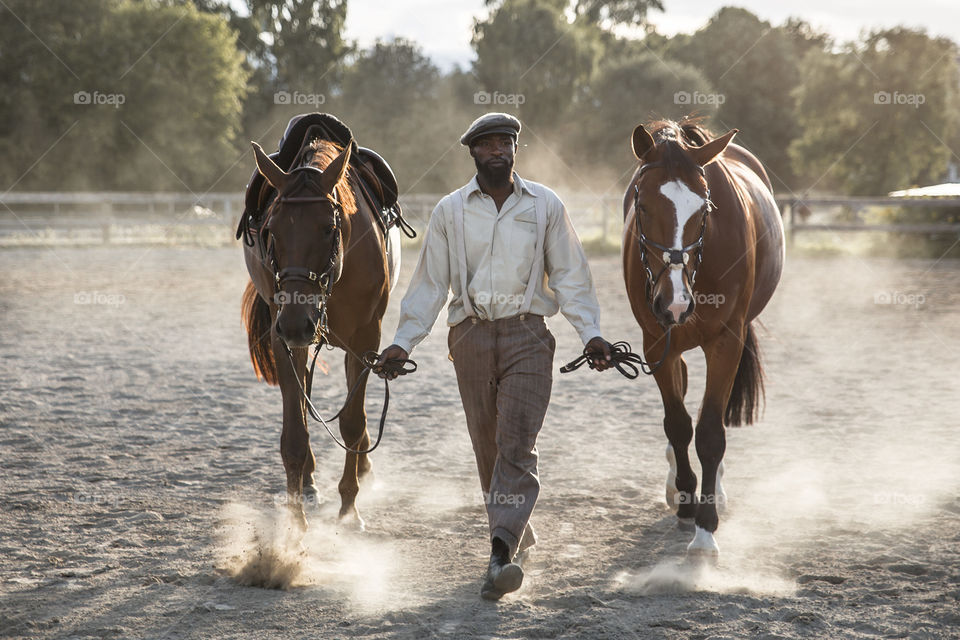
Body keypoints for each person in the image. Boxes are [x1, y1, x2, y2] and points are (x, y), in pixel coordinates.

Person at [377, 112, 612, 600]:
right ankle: (516, 531)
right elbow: (430, 285)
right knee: (488, 447)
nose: (499, 151)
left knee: (516, 442)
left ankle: (500, 553)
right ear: (473, 153)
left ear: (515, 150)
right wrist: (403, 341)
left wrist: (591, 333)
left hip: (529, 335)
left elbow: (570, 273)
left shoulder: (545, 204)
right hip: (470, 338)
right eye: (488, 145)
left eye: (506, 142)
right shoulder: (450, 211)